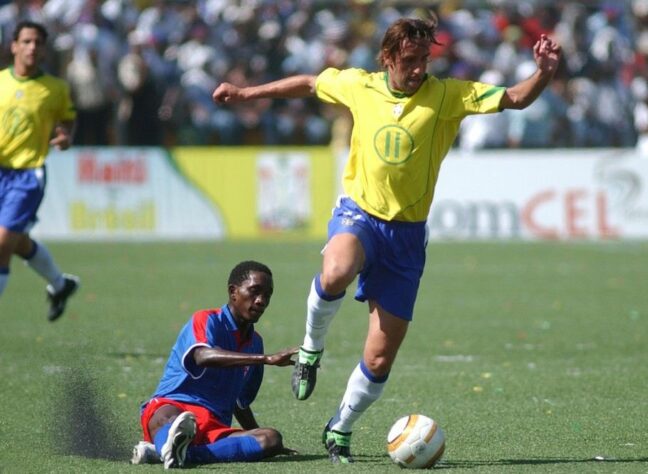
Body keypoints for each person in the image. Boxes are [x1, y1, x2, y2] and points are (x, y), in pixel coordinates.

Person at [213, 16, 561, 464]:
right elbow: (307, 84)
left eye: (425, 60)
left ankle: (340, 428)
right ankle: (310, 350)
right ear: (388, 58)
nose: (419, 70)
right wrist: (246, 94)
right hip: (359, 214)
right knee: (336, 269)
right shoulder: (360, 85)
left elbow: (514, 98)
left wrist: (544, 73)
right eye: (410, 61)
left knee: (378, 360)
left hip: (406, 239)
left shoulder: (449, 95)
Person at [131, 260, 298, 469]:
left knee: (271, 438)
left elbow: (240, 403)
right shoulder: (206, 319)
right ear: (233, 291)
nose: (261, 300)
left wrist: (262, 441)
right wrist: (266, 359)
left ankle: (172, 453)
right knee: (170, 417)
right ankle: (173, 446)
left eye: (267, 295)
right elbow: (202, 356)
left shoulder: (255, 343)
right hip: (173, 407)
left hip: (213, 427)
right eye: (255, 291)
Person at [0, 20, 79, 321]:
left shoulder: (55, 88)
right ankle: (60, 285)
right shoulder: (1, 82)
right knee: (16, 242)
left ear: (44, 49)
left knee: (2, 244)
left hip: (28, 175)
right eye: (27, 41)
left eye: (38, 43)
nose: (33, 47)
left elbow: (68, 119)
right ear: (14, 46)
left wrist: (65, 136)